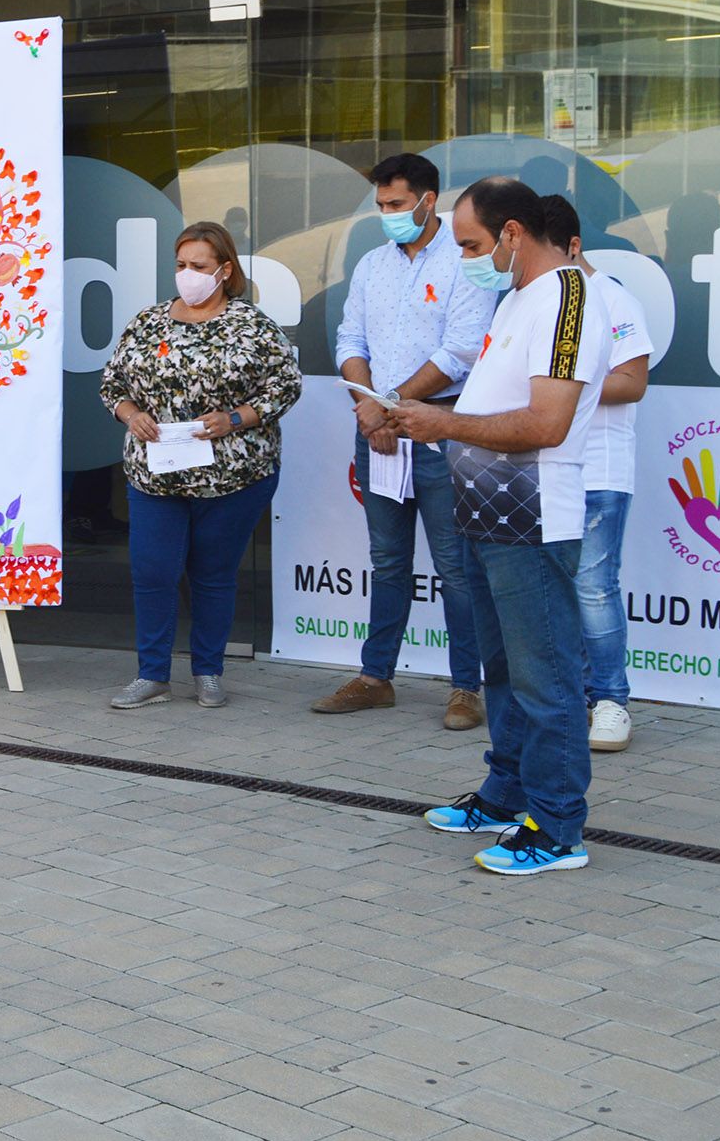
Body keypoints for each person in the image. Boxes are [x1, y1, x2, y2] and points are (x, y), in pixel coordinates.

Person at [394, 177, 610, 876]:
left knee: (544, 677)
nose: (465, 260)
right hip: (485, 514)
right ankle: (505, 791)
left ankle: (555, 828)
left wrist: (441, 420)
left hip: (534, 517)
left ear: (514, 233)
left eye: (472, 245)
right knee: (502, 671)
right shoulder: (518, 294)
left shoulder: (570, 297)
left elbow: (546, 424)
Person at [316, 153, 499, 729]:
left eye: (397, 204)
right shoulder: (372, 265)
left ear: (428, 199)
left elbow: (461, 351)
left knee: (456, 566)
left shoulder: (466, 262)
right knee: (388, 560)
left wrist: (388, 408)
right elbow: (350, 338)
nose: (388, 214)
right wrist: (371, 408)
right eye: (381, 206)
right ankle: (376, 678)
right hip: (376, 429)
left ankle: (467, 688)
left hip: (442, 432)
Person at [100, 222, 302, 710]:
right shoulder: (147, 322)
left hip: (233, 476)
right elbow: (112, 385)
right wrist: (134, 415)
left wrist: (234, 418)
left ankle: (208, 671)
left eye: (199, 266)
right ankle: (152, 675)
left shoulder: (251, 325)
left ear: (224, 271)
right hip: (156, 474)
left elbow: (285, 387)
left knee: (214, 574)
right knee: (153, 571)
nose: (187, 275)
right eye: (181, 265)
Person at [542, 194, 652, 754]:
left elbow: (632, 381)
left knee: (593, 589)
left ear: (574, 246)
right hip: (541, 472)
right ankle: (570, 701)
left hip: (600, 471)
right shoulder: (531, 303)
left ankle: (610, 701)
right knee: (552, 593)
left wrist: (560, 389)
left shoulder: (611, 298)